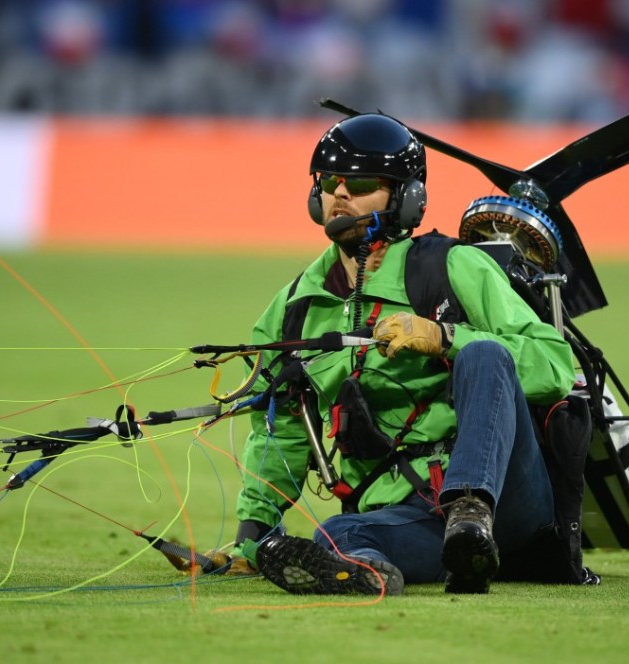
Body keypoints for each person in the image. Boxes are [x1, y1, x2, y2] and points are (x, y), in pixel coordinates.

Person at [229, 112, 579, 595]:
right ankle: (372, 574)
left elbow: (555, 365)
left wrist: (444, 338)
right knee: (339, 533)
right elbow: (280, 429)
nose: (339, 194)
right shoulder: (296, 309)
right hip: (408, 516)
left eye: (362, 182)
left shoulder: (455, 267)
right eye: (329, 181)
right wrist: (251, 538)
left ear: (407, 197)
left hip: (508, 501)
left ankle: (470, 516)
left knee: (484, 355)